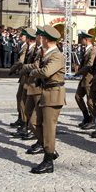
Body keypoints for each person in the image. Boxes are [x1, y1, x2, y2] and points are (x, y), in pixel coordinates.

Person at [28, 25, 66, 174]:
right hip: (46, 93)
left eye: (41, 37)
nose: (39, 39)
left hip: (54, 94)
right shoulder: (48, 54)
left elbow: (47, 71)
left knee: (49, 128)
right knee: (33, 122)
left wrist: (33, 72)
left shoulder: (56, 55)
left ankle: (48, 160)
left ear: (45, 39)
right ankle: (50, 149)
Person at [9, 28, 33, 126]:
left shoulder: (27, 47)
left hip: (27, 76)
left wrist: (13, 69)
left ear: (27, 37)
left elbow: (21, 61)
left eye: (21, 36)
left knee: (23, 100)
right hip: (24, 76)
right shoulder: (25, 46)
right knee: (20, 97)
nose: (19, 37)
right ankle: (21, 119)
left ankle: (24, 123)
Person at [75, 32, 96, 129]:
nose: (81, 40)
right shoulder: (86, 50)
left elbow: (90, 65)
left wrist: (78, 72)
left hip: (89, 78)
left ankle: (92, 119)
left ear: (87, 40)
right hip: (84, 78)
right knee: (78, 97)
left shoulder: (92, 51)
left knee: (89, 99)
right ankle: (86, 116)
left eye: (82, 39)